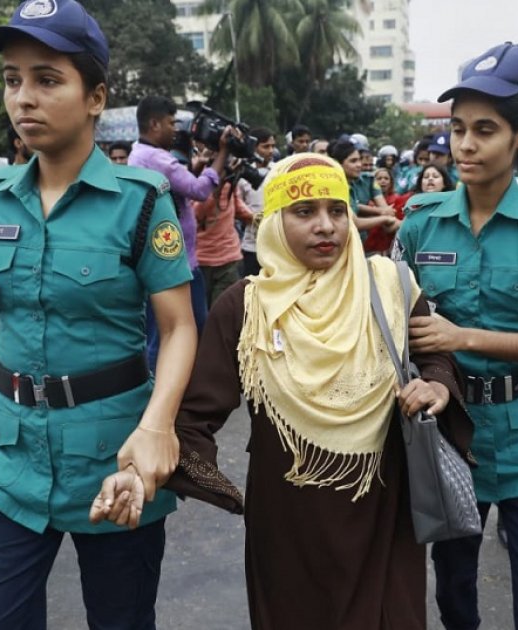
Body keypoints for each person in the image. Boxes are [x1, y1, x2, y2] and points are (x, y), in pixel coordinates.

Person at [0, 2, 198, 627]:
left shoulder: (139, 203)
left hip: (116, 455)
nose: (24, 98)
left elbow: (180, 326)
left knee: (121, 619)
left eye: (48, 79)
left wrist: (158, 427)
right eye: (12, 79)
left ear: (95, 96)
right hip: (8, 457)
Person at [166, 152, 473, 629]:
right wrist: (193, 474)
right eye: (304, 212)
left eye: (336, 210)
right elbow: (197, 411)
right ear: (272, 223)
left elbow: (435, 353)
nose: (326, 226)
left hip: (383, 507)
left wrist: (436, 385)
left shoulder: (389, 284)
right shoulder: (246, 306)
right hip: (288, 519)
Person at [394, 42, 518, 630]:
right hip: (452, 434)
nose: (465, 145)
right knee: (454, 597)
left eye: (485, 129)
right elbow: (395, 327)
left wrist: (461, 336)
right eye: (457, 129)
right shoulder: (420, 220)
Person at [130, 94, 232, 365]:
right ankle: (170, 389)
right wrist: (222, 154)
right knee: (185, 329)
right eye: (171, 123)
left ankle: (165, 388)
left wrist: (192, 168)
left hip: (164, 261)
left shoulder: (139, 153)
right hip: (179, 264)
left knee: (162, 331)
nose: (175, 130)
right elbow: (199, 191)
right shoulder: (158, 159)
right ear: (155, 124)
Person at [194, 166, 254, 306]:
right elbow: (197, 215)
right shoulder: (197, 177)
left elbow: (235, 203)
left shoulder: (230, 180)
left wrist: (254, 217)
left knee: (223, 312)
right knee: (202, 316)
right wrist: (217, 187)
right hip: (202, 259)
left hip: (229, 259)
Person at [330, 139, 398, 255]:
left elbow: (384, 209)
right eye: (353, 161)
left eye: (359, 160)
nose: (359, 165)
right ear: (339, 164)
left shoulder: (359, 182)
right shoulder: (336, 188)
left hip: (358, 246)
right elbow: (354, 223)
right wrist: (384, 218)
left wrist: (385, 212)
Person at [240, 126, 277, 277]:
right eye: (265, 146)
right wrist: (251, 218)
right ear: (254, 148)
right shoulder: (242, 173)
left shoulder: (278, 171)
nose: (270, 150)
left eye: (273, 146)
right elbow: (237, 205)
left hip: (276, 245)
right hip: (252, 245)